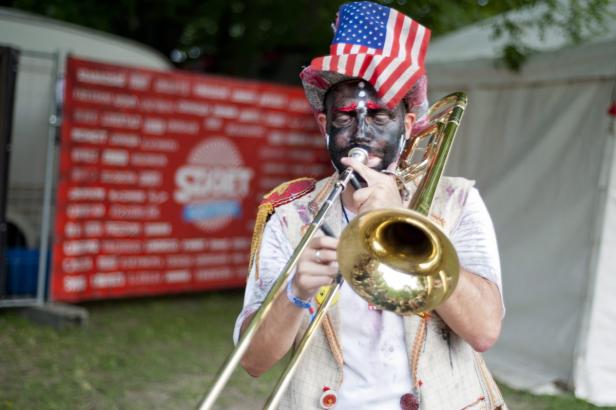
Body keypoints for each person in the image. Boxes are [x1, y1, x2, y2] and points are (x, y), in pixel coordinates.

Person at [234, 2, 506, 409]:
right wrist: (297, 290)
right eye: (345, 119)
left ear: (409, 125)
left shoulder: (458, 200)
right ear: (324, 126)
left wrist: (407, 222)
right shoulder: (288, 215)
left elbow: (484, 331)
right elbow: (253, 363)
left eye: (380, 117)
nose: (361, 133)